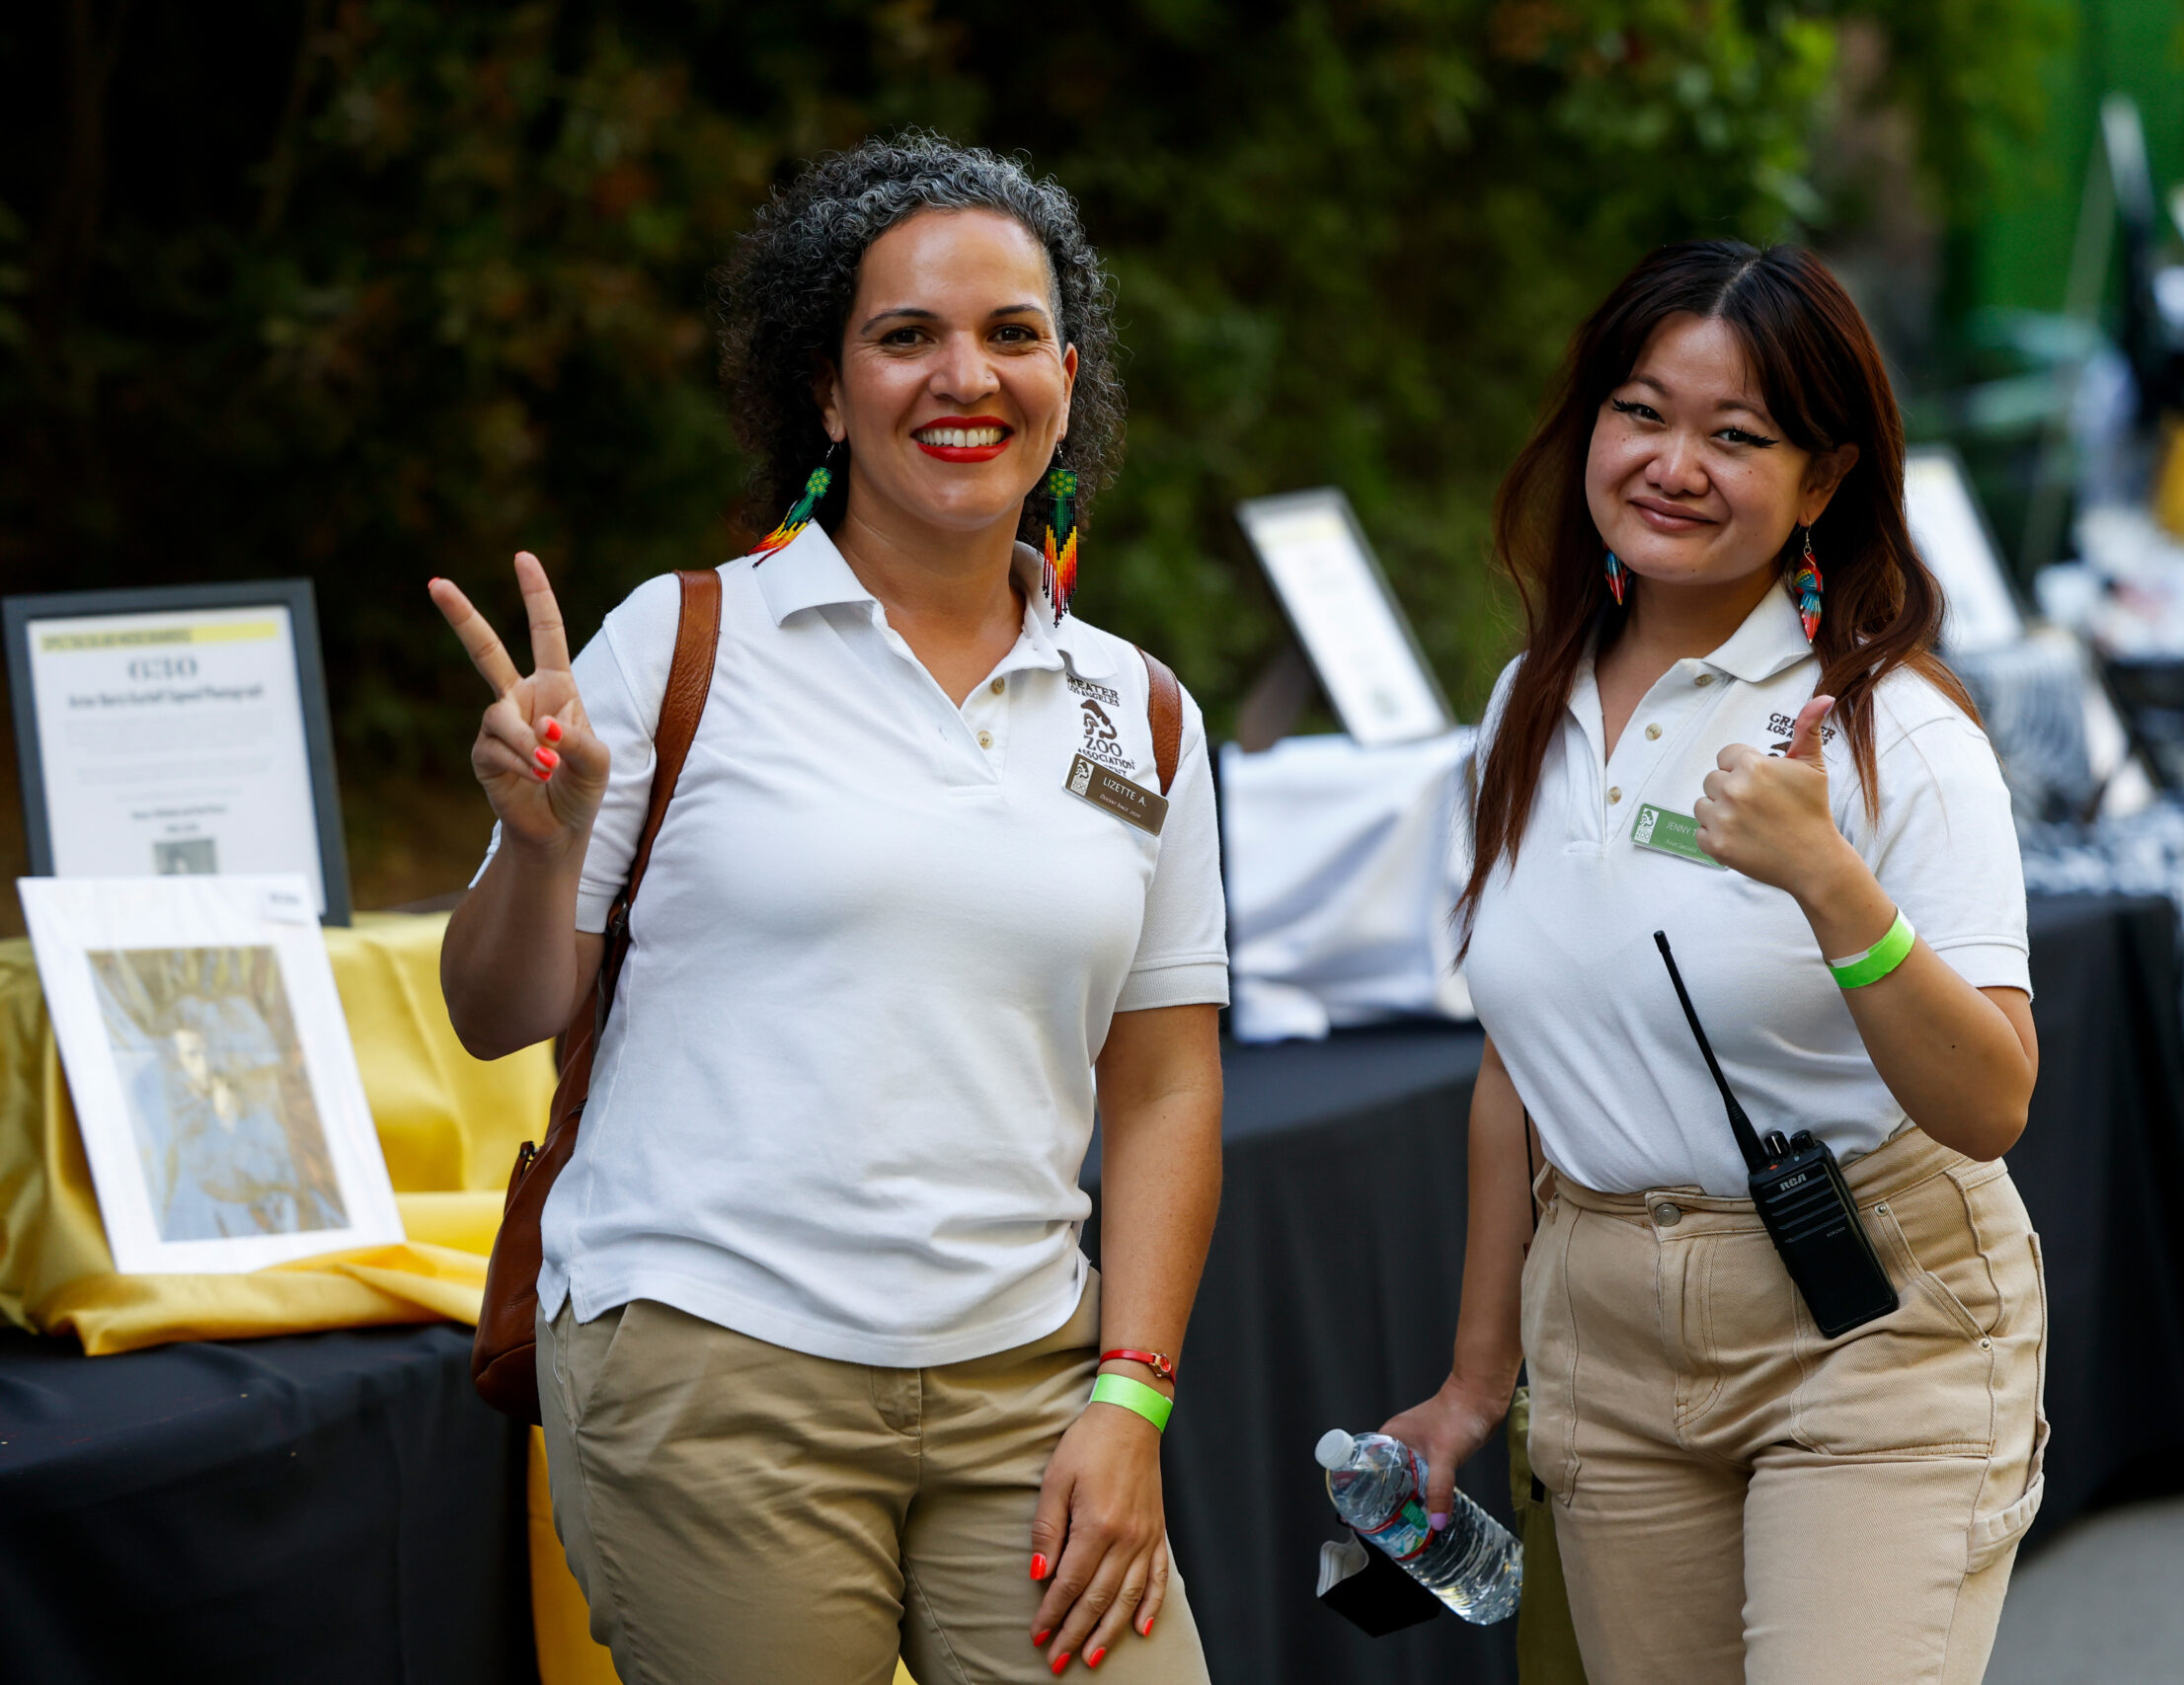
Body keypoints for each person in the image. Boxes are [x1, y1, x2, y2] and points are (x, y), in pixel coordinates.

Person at [428, 135, 1222, 1685]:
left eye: (1008, 335)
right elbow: (492, 1014)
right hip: (714, 1373)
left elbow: (1169, 1079)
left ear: (1067, 376)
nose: (962, 377)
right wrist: (539, 845)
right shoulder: (686, 637)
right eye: (905, 335)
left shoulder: (1143, 710)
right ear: (825, 386)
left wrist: (1131, 1396)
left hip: (1030, 1385)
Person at [1383, 241, 2047, 1683]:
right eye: (1642, 413)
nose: (1674, 463)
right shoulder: (1525, 706)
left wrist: (1829, 882)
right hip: (1608, 1345)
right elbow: (1523, 1066)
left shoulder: (1892, 728)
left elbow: (1993, 1102)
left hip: (1873, 1326)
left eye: (1736, 435)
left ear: (1821, 484)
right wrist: (1474, 1382)